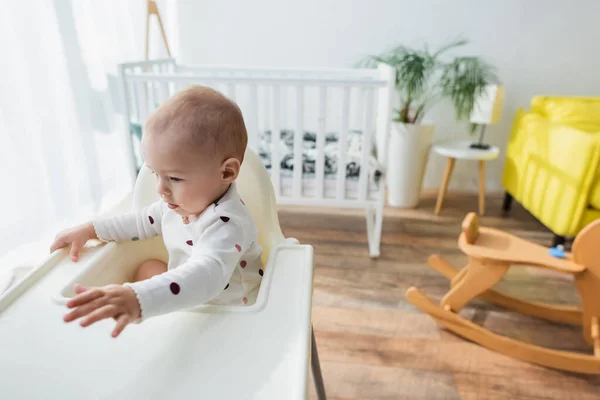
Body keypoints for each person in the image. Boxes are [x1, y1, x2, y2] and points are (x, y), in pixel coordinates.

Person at [50, 86, 263, 337]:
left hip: (228, 313)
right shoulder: (177, 205)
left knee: (148, 286)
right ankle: (148, 314)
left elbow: (209, 274)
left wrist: (140, 298)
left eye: (174, 178)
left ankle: (146, 309)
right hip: (186, 293)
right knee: (149, 266)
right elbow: (140, 222)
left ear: (226, 172)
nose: (161, 189)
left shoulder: (229, 223)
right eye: (154, 173)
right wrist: (91, 229)